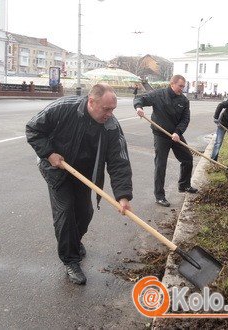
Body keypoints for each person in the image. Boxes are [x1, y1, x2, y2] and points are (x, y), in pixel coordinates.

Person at [26, 83, 133, 285]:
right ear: (92, 102)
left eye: (113, 109)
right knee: (65, 212)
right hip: (56, 169)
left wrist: (123, 195)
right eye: (106, 109)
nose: (110, 114)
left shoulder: (110, 125)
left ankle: (74, 242)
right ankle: (70, 260)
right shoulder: (64, 108)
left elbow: (119, 161)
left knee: (85, 212)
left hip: (83, 173)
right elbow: (33, 128)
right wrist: (49, 154)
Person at [134, 74, 197, 207]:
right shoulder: (159, 95)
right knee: (161, 164)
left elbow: (185, 119)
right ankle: (159, 196)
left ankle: (184, 185)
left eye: (183, 87)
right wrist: (139, 107)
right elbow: (140, 98)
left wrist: (177, 132)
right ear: (172, 84)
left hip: (175, 134)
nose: (182, 89)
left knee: (187, 158)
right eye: (180, 86)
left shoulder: (184, 101)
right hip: (161, 134)